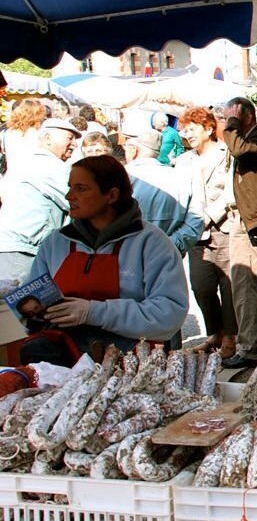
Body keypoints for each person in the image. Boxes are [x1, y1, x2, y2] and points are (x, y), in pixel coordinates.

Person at [19, 155, 188, 365]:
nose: (69, 196)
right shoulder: (55, 243)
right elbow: (29, 307)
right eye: (69, 187)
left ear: (111, 195)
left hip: (132, 359)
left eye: (81, 188)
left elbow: (168, 315)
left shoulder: (152, 243)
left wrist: (93, 312)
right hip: (65, 355)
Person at [177, 107, 242, 366]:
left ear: (207, 128)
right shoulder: (184, 161)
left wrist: (207, 217)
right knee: (201, 286)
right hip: (196, 234)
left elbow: (231, 192)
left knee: (228, 287)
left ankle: (230, 337)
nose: (187, 134)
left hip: (223, 227)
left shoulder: (226, 155)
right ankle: (215, 333)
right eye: (184, 130)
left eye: (192, 129)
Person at [222, 96, 257, 361]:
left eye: (231, 115)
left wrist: (232, 123)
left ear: (246, 115)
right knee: (255, 282)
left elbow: (239, 150)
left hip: (253, 218)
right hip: (248, 216)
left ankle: (251, 347)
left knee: (243, 281)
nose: (226, 121)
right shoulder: (255, 137)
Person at [0, 119, 79, 283]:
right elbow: (78, 201)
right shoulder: (48, 165)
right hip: (23, 250)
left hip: (20, 248)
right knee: (20, 304)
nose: (74, 145)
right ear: (47, 138)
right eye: (69, 138)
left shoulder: (26, 161)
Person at [123, 128, 204, 255]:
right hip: (169, 261)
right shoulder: (183, 178)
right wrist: (167, 245)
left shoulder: (119, 177)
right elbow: (195, 223)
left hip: (126, 259)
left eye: (126, 147)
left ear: (133, 150)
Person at [2, 100, 49, 169]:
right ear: (37, 115)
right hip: (30, 173)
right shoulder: (35, 133)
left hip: (12, 173)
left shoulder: (9, 132)